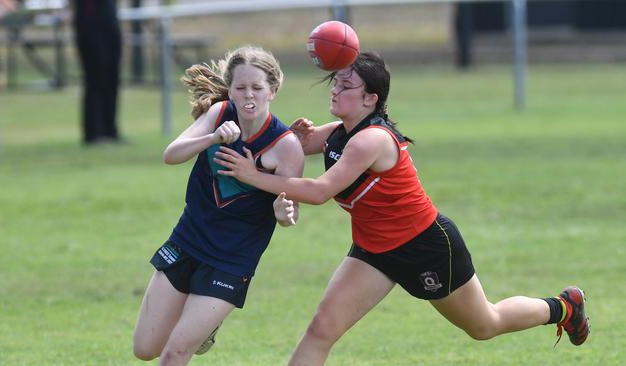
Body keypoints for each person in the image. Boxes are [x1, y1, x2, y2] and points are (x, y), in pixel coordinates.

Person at [213, 52, 590, 365]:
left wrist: (250, 174)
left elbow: (319, 191)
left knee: (484, 325)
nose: (336, 90)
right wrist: (273, 129)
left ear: (370, 100)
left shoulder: (371, 140)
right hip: (373, 252)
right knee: (320, 330)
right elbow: (285, 146)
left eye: (347, 86)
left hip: (424, 246)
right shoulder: (340, 131)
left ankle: (563, 307)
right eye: (336, 82)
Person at [132, 46, 304, 366]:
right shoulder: (220, 113)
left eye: (257, 88)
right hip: (187, 241)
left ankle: (205, 322)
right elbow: (172, 155)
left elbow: (289, 209)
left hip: (231, 260)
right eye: (240, 87)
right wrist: (212, 138)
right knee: (145, 349)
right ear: (231, 89)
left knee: (175, 353)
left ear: (273, 91)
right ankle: (205, 329)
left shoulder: (286, 147)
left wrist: (285, 214)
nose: (248, 95)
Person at [72, 0, 122, 145]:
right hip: (90, 25)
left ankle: (110, 130)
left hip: (110, 23)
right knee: (96, 79)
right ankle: (93, 132)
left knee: (112, 79)